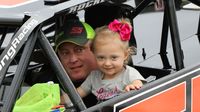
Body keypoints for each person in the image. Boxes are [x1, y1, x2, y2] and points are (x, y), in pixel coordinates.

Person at [62, 19, 146, 104]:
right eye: (101, 58)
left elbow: (138, 85)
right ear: (94, 55)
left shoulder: (129, 74)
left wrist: (133, 87)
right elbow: (76, 95)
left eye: (113, 57)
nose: (107, 63)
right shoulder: (94, 77)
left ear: (125, 55)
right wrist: (55, 101)